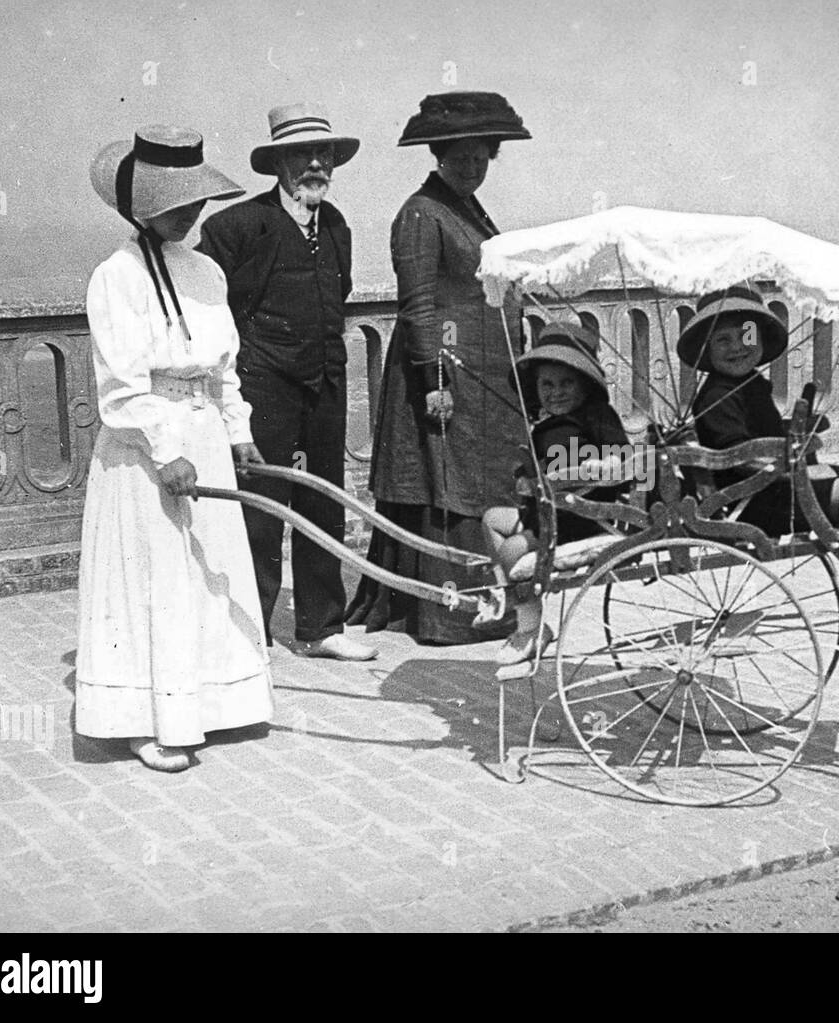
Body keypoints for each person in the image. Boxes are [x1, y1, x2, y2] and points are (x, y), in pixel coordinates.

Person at [79, 125, 273, 772]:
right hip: (145, 450)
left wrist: (238, 432)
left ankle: (210, 705)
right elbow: (120, 386)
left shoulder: (207, 271)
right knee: (158, 576)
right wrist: (166, 450)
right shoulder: (117, 276)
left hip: (207, 438)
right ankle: (150, 718)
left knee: (208, 569)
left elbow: (225, 370)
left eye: (198, 202)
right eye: (177, 203)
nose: (193, 215)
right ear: (142, 206)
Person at [349, 91, 532, 645]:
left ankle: (487, 599)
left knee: (478, 481)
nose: (472, 167)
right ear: (439, 154)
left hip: (482, 372)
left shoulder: (466, 207)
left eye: (481, 157)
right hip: (444, 374)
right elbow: (418, 303)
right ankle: (446, 616)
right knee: (444, 484)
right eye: (461, 157)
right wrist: (433, 380)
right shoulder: (421, 214)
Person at [197, 103, 376, 661]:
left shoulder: (338, 224)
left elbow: (338, 294)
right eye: (303, 155)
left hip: (324, 383)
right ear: (280, 164)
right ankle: (250, 633)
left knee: (326, 503)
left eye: (323, 155)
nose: (315, 165)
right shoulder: (236, 227)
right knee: (262, 507)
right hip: (264, 389)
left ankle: (322, 627)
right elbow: (207, 309)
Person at [680, 286, 839, 620]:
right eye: (722, 340)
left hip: (780, 478)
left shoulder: (751, 383)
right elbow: (737, 455)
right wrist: (794, 464)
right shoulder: (716, 395)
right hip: (752, 498)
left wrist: (800, 433)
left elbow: (768, 435)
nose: (737, 348)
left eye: (745, 336)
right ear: (706, 349)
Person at [479, 323, 630, 675]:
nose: (556, 392)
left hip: (579, 519)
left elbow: (623, 459)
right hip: (547, 512)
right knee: (490, 520)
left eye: (566, 383)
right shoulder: (545, 426)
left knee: (513, 550)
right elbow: (538, 470)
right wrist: (526, 478)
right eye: (547, 384)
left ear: (585, 385)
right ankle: (511, 595)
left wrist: (595, 467)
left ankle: (529, 629)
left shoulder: (596, 416)